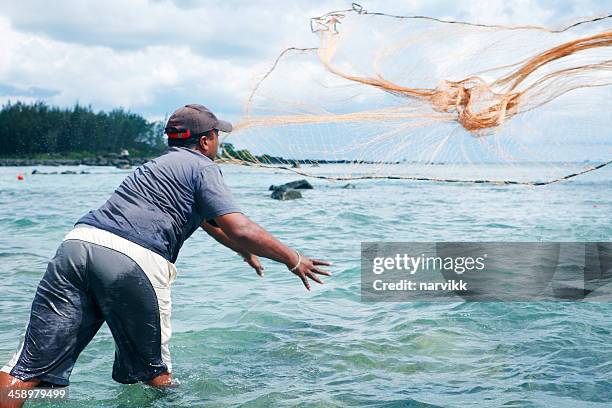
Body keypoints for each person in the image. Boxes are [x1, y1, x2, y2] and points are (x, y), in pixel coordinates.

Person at [0, 104, 331, 408]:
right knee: (157, 378)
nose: (219, 143)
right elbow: (238, 226)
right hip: (132, 261)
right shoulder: (203, 167)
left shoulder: (156, 168)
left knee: (27, 368)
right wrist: (293, 258)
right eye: (217, 136)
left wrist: (244, 252)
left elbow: (207, 221)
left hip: (76, 247)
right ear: (205, 141)